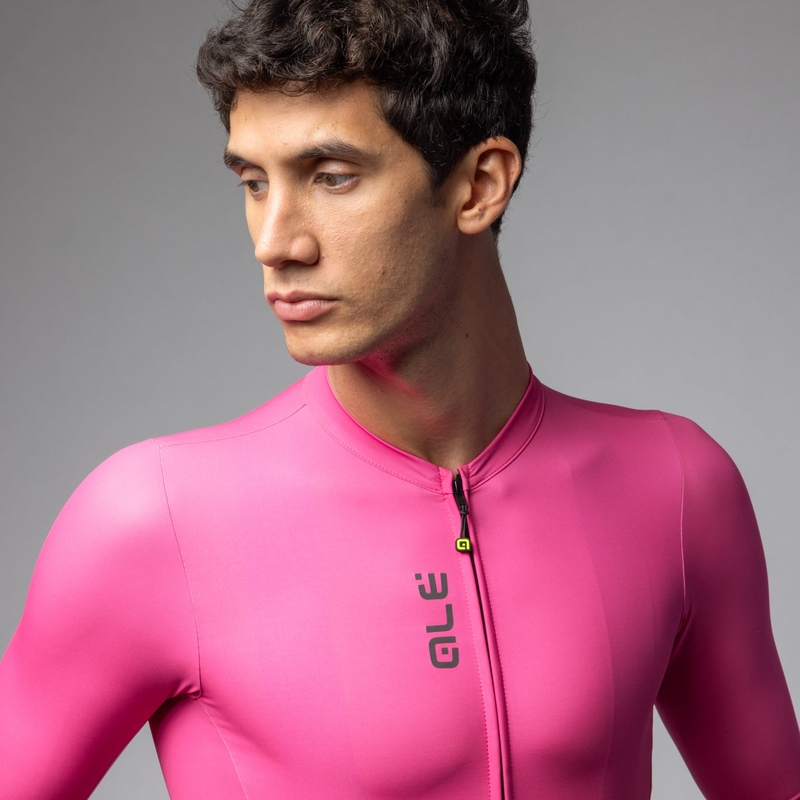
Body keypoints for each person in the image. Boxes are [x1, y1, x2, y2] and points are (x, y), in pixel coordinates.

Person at [1, 0, 799, 797]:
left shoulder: (676, 488)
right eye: (254, 182)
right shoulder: (152, 524)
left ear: (479, 185)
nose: (275, 242)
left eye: (331, 176)